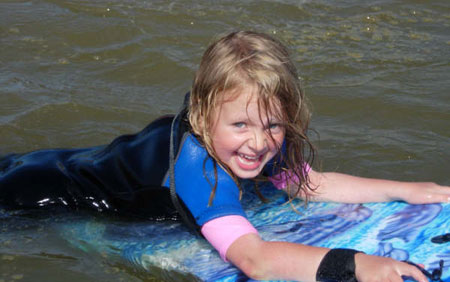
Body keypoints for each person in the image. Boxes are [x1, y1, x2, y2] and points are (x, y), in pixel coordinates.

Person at [0, 31, 449, 282]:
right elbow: (252, 258)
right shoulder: (201, 171)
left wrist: (418, 191)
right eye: (241, 126)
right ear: (202, 114)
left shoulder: (256, 137)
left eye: (273, 125)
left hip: (64, 164)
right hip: (40, 196)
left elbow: (308, 183)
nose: (258, 142)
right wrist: (356, 265)